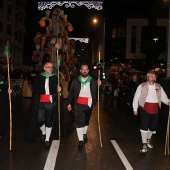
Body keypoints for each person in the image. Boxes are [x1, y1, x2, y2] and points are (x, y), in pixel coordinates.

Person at [24, 61, 62, 149]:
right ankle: (44, 132)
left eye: (51, 67)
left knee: (49, 120)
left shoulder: (55, 78)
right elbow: (35, 89)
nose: (50, 68)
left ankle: (47, 140)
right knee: (39, 119)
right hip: (41, 102)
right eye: (48, 67)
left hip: (51, 102)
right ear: (44, 68)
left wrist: (59, 89)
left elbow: (60, 91)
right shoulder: (39, 77)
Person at [133, 71, 170, 153]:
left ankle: (148, 140)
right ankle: (144, 144)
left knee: (152, 128)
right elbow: (136, 97)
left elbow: (163, 97)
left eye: (154, 76)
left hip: (155, 110)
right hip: (145, 109)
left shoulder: (158, 87)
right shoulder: (142, 86)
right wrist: (135, 108)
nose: (153, 77)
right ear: (147, 78)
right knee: (144, 127)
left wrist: (168, 102)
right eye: (151, 76)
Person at [67, 63, 101, 150]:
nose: (85, 71)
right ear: (80, 70)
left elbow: (97, 93)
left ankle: (84, 133)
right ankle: (80, 141)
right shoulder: (75, 81)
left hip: (89, 104)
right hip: (78, 104)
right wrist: (69, 103)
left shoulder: (93, 81)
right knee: (79, 122)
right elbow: (71, 93)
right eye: (83, 69)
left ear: (88, 71)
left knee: (86, 121)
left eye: (86, 69)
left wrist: (99, 85)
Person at [0, 74, 12, 139]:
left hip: (2, 106)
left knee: (2, 119)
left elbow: (9, 99)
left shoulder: (4, 86)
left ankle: (1, 133)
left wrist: (9, 93)